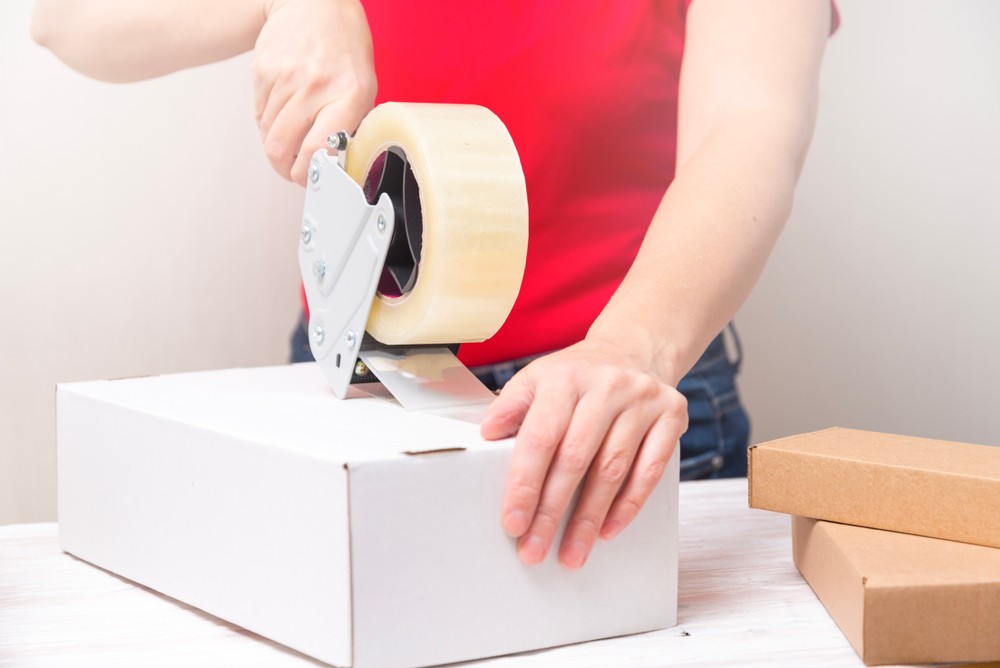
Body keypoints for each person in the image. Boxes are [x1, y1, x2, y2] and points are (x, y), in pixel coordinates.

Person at [32, 0, 834, 570]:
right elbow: (63, 17)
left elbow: (749, 126)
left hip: (610, 401)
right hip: (360, 382)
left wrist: (632, 347)